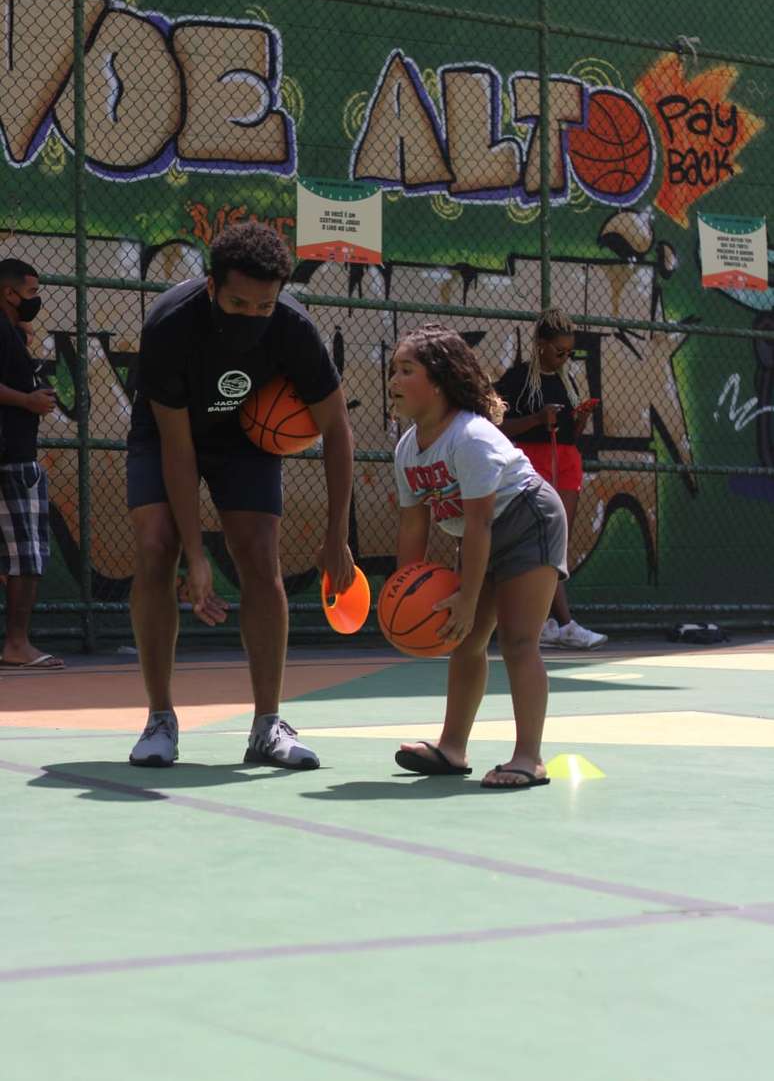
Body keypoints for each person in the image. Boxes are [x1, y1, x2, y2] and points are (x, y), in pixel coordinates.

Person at [126, 222, 354, 768]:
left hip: (246, 439)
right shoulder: (170, 326)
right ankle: (160, 718)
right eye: (238, 302)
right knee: (158, 547)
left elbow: (337, 429)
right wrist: (196, 555)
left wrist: (337, 536)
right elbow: (178, 452)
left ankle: (267, 724)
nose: (252, 314)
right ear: (211, 288)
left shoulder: (294, 328)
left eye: (264, 305)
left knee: (259, 558)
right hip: (167, 435)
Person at [389, 323, 567, 790]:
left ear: (440, 381)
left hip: (528, 519)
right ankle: (452, 748)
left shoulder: (470, 438)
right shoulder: (408, 450)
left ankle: (529, 757)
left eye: (406, 370)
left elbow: (480, 524)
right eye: (393, 370)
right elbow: (414, 525)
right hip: (481, 534)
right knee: (465, 642)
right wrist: (402, 591)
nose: (393, 381)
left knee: (518, 641)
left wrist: (468, 598)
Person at [495, 308, 607, 650]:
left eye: (569, 353)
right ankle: (564, 622)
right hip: (533, 462)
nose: (564, 358)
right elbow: (497, 425)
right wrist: (537, 419)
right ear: (541, 344)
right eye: (559, 351)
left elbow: (571, 433)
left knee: (558, 545)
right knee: (544, 544)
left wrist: (581, 418)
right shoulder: (516, 379)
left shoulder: (565, 380)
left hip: (566, 460)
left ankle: (545, 621)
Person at [0, 258, 64, 670]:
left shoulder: (10, 331)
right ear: (9, 293)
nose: (35, 300)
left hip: (11, 453)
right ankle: (17, 644)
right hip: (12, 458)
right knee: (26, 556)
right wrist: (28, 400)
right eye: (30, 292)